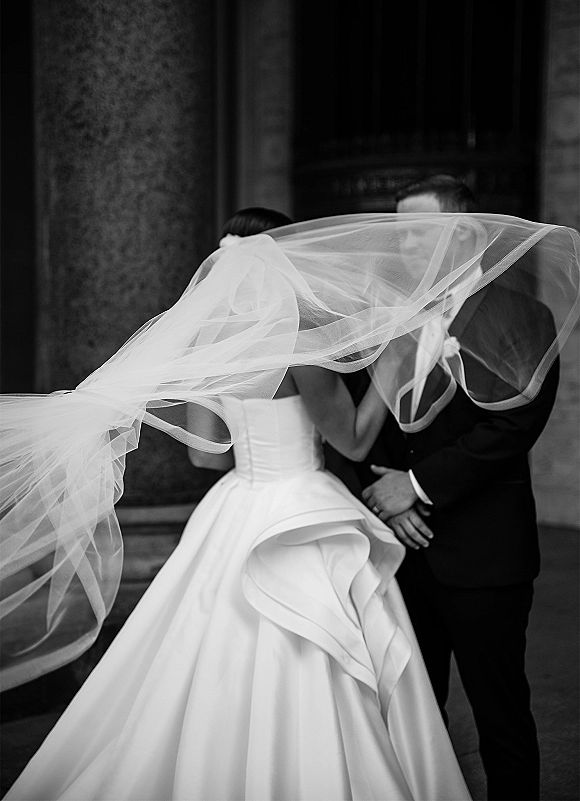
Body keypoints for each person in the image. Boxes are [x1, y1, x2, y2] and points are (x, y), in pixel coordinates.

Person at [2, 205, 576, 801]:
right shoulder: (302, 345)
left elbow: (208, 458)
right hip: (301, 503)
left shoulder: (212, 344)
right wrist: (391, 367)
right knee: (323, 646)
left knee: (206, 647)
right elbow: (351, 438)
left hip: (238, 502)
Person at [360, 175, 559, 801]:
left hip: (484, 555)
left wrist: (417, 486)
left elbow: (513, 422)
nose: (405, 244)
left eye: (417, 231)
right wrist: (390, 503)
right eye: (399, 232)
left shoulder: (523, 315)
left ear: (464, 232)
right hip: (404, 552)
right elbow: (374, 424)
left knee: (499, 711)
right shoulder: (394, 318)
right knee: (415, 710)